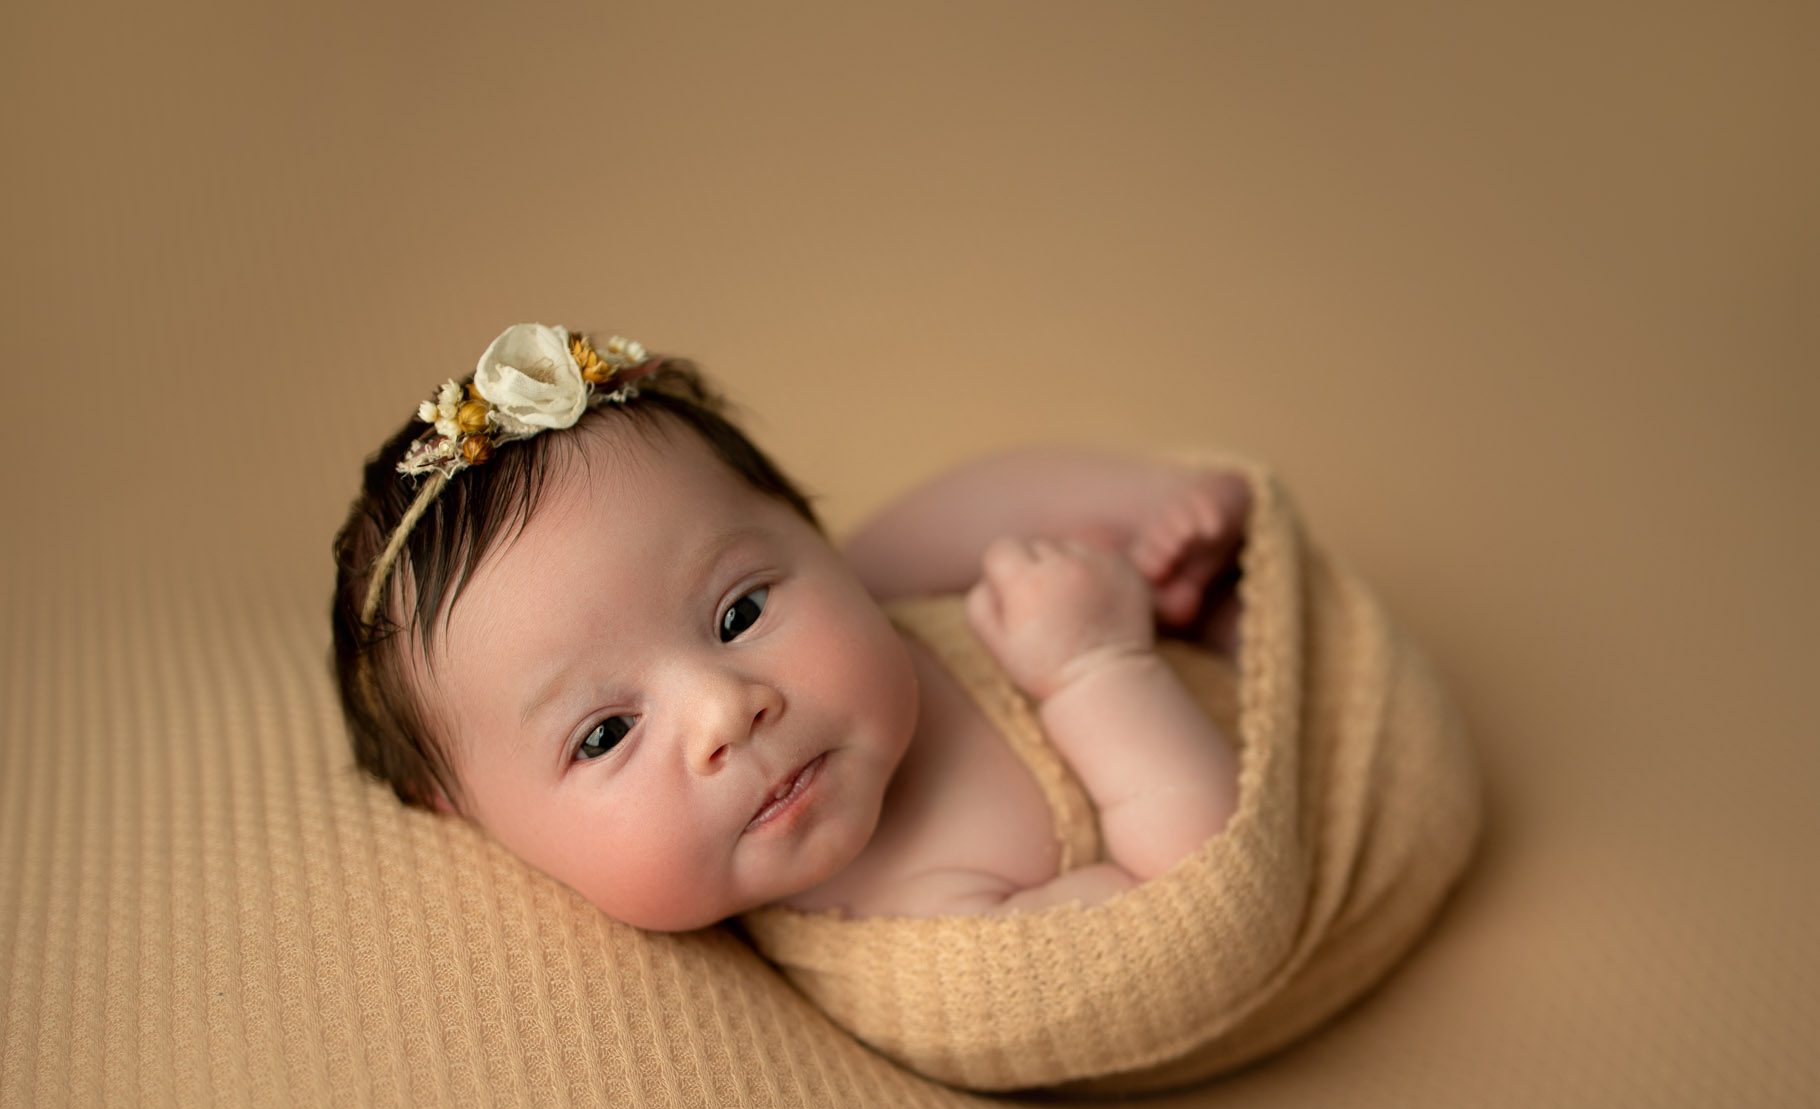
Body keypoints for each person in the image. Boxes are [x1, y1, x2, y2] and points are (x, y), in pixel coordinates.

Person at [332, 322, 1251, 933]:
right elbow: (1198, 905)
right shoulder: (926, 935)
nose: (727, 709)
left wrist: (1143, 502)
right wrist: (1099, 668)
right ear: (479, 819)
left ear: (807, 531)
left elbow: (969, 507)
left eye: (741, 612)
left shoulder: (860, 599)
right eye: (605, 733)